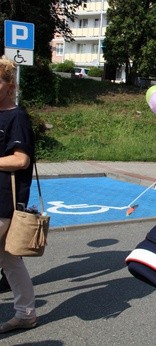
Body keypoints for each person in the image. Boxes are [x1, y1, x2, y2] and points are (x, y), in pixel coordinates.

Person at [0, 57, 38, 333]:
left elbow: (21, 160)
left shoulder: (17, 117)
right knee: (10, 259)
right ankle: (25, 313)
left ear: (9, 84)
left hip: (3, 202)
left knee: (10, 259)